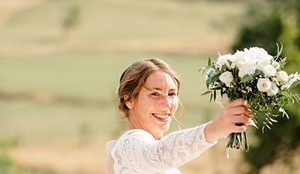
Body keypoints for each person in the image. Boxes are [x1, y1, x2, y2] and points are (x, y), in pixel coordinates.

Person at [106, 58, 253, 173]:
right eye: (155, 94)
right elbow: (159, 153)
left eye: (171, 94)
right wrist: (214, 129)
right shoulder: (129, 143)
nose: (167, 104)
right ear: (129, 99)